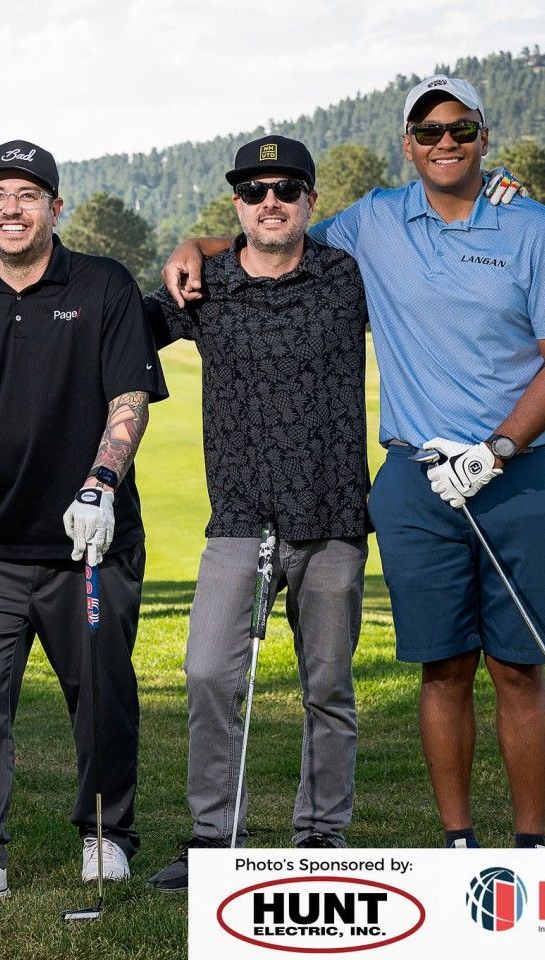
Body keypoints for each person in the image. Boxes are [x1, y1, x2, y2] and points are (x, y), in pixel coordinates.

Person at [162, 75, 545, 850]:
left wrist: (497, 450)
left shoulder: (532, 227)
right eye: (428, 132)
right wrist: (195, 245)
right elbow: (273, 240)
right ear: (407, 144)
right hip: (415, 480)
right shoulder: (377, 221)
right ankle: (458, 841)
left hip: (512, 473)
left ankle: (528, 846)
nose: (445, 143)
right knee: (442, 666)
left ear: (483, 136)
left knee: (517, 669)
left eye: (459, 130)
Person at [0, 141, 167, 905]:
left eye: (28, 195)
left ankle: (105, 831)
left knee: (101, 692)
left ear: (54, 208)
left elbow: (127, 399)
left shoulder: (101, 284)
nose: (11, 207)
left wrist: (100, 484)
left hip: (89, 543)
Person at [139, 136, 371, 892]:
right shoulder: (203, 286)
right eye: (252, 190)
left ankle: (320, 838)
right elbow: (115, 328)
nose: (268, 201)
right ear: (234, 204)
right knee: (207, 672)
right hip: (239, 517)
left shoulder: (348, 277)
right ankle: (215, 839)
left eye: (285, 189)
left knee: (327, 686)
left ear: (311, 200)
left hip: (333, 514)